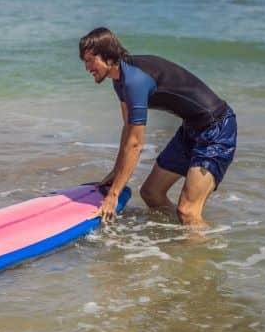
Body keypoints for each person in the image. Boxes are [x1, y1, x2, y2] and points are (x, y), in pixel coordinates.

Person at [79, 27, 237, 227]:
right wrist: (116, 172)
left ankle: (201, 251)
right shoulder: (119, 80)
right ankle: (183, 237)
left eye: (90, 60)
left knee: (187, 211)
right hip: (191, 129)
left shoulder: (133, 81)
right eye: (85, 61)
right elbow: (128, 129)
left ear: (108, 56)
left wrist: (113, 195)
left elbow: (136, 144)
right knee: (151, 194)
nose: (87, 67)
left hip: (217, 129)